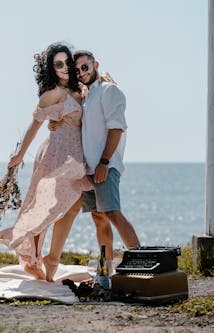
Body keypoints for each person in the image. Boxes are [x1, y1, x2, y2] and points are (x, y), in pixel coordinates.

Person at [0, 43, 91, 282]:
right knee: (44, 209)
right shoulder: (52, 93)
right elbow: (35, 123)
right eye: (59, 64)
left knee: (69, 206)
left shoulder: (80, 87)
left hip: (74, 158)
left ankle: (48, 258)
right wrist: (19, 155)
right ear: (51, 68)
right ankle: (37, 259)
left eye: (67, 62)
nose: (65, 67)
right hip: (55, 155)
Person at [53, 50, 141, 265]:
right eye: (78, 70)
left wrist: (104, 162)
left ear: (95, 65)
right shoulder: (87, 95)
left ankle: (143, 261)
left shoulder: (108, 90)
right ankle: (105, 270)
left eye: (85, 67)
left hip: (105, 166)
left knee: (112, 212)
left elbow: (116, 128)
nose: (82, 72)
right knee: (99, 218)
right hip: (88, 169)